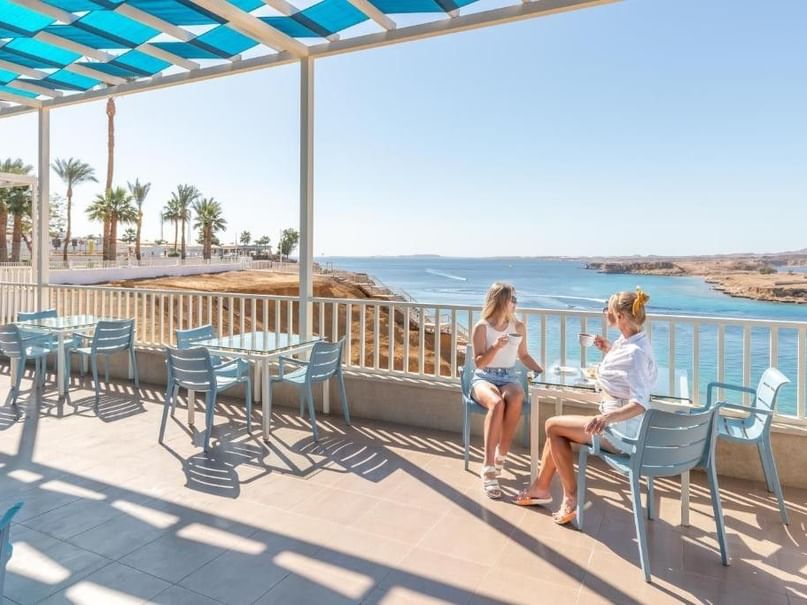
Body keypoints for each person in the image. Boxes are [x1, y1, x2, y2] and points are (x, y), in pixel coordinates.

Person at [514, 288, 657, 524]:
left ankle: (569, 498)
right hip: (619, 423)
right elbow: (628, 368)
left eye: (608, 310)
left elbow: (640, 403)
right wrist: (608, 350)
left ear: (620, 316)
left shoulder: (635, 352)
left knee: (552, 425)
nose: (605, 313)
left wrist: (606, 419)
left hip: (622, 433)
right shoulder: (631, 340)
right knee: (556, 434)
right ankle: (540, 488)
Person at [471, 282, 543, 499]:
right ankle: (488, 466)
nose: (516, 303)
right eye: (512, 299)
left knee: (516, 396)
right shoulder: (482, 327)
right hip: (484, 378)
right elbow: (479, 364)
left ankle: (502, 453)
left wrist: (542, 371)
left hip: (508, 376)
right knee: (497, 403)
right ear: (502, 301)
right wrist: (496, 347)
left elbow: (523, 355)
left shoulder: (518, 327)